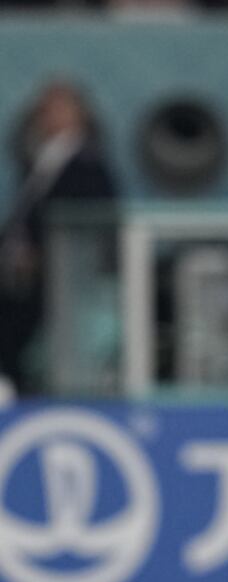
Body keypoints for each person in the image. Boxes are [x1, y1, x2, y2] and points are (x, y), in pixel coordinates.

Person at [0, 78, 117, 396]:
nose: (50, 116)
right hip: (20, 275)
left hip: (63, 279)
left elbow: (94, 220)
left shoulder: (88, 164)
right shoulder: (35, 161)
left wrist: (39, 252)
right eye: (45, 109)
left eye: (59, 108)